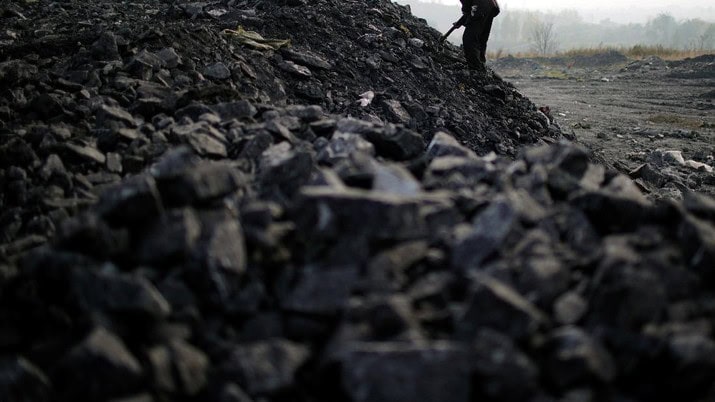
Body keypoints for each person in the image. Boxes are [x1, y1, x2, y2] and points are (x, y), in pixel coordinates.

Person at [460, 0, 500, 71]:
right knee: (481, 38)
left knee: (469, 39)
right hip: (491, 6)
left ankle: (475, 69)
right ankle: (481, 64)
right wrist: (461, 21)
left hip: (481, 5)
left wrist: (465, 14)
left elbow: (467, 6)